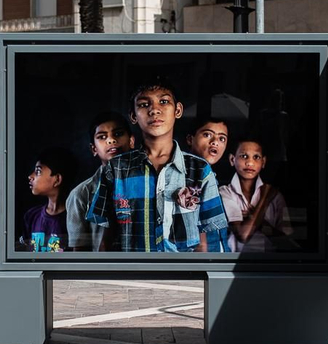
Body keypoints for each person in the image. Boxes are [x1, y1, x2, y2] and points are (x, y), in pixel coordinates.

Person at [86, 79, 229, 253]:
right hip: (130, 270)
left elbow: (203, 243)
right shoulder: (116, 169)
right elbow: (106, 241)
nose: (154, 110)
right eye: (144, 104)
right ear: (133, 116)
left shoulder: (199, 169)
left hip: (182, 270)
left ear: (178, 110)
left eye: (164, 101)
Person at [66, 112, 134, 251]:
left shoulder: (150, 183)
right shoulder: (80, 194)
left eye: (118, 134)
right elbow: (79, 251)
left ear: (131, 141)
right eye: (102, 137)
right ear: (94, 149)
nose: (111, 140)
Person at [220, 139, 292, 252]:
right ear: (232, 159)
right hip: (233, 259)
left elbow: (286, 242)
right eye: (244, 156)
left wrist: (257, 222)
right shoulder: (225, 192)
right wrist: (264, 199)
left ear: (263, 162)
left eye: (256, 157)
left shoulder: (276, 197)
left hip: (269, 259)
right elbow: (243, 236)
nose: (250, 163)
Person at [18, 148, 70, 253]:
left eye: (38, 171)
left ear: (57, 179)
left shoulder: (72, 219)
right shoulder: (31, 216)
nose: (30, 176)